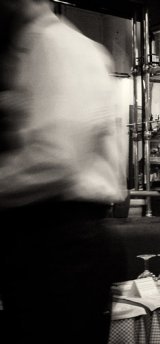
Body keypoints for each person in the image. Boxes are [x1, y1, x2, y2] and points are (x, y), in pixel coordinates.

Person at [0, 1, 127, 342]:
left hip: (59, 242)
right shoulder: (29, 52)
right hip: (51, 241)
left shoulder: (55, 45)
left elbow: (55, 159)